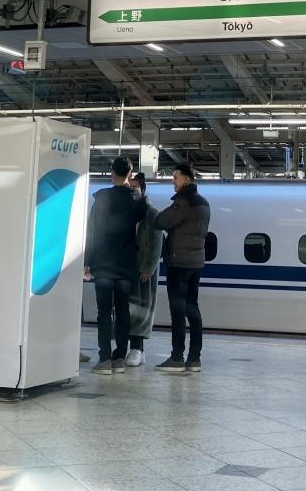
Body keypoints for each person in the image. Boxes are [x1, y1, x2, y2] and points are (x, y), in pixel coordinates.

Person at [83, 156, 146, 374]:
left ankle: (105, 359)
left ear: (112, 173)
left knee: (103, 313)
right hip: (125, 265)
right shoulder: (136, 197)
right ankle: (119, 358)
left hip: (103, 265)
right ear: (130, 173)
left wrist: (87, 261)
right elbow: (143, 219)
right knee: (123, 312)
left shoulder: (101, 197)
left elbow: (91, 232)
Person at [154, 163, 211, 373]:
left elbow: (161, 221)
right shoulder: (204, 203)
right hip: (196, 263)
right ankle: (194, 359)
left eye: (175, 177)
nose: (173, 181)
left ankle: (177, 357)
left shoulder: (184, 202)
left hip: (179, 263)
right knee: (192, 308)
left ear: (187, 178)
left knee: (177, 311)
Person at [125, 172, 160, 367]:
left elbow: (156, 244)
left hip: (144, 270)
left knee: (141, 308)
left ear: (143, 189)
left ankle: (137, 348)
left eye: (135, 188)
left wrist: (149, 267)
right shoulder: (126, 212)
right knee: (128, 308)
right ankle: (132, 348)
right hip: (127, 267)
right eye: (129, 188)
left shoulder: (152, 213)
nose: (131, 191)